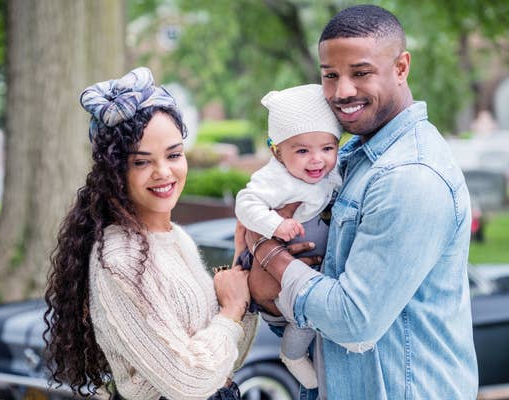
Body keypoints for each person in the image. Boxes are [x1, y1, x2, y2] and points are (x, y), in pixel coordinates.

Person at [243, 5, 478, 400]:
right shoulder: (352, 161)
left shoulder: (410, 176)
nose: (342, 91)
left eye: (361, 72)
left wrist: (268, 255)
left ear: (401, 67)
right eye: (330, 75)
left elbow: (354, 321)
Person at [44, 67, 257, 400]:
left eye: (174, 155)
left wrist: (243, 283)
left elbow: (221, 364)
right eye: (141, 162)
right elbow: (188, 382)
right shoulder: (121, 259)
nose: (163, 172)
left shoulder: (174, 236)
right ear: (115, 171)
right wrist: (230, 313)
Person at [234, 84, 342, 389]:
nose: (317, 160)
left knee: (312, 315)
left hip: (309, 269)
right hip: (283, 280)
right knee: (303, 317)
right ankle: (292, 357)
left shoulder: (328, 173)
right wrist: (274, 226)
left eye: (327, 148)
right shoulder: (276, 178)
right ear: (277, 151)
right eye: (303, 151)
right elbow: (245, 202)